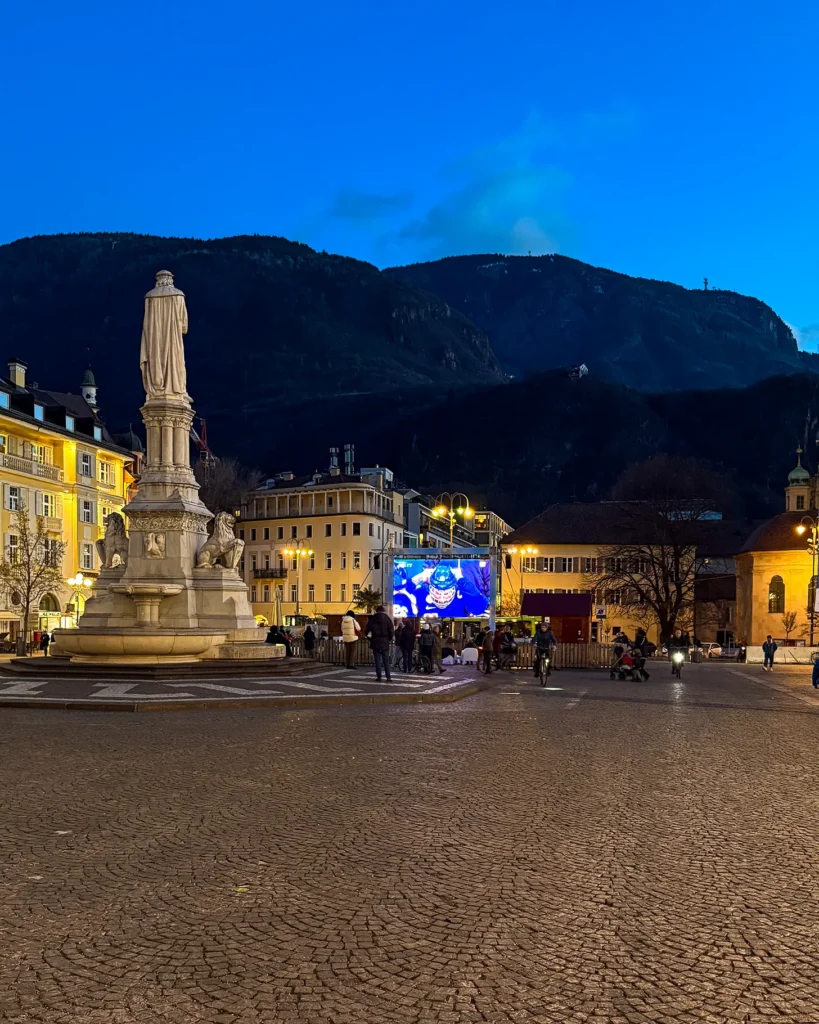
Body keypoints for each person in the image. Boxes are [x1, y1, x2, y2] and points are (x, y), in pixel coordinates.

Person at [366, 605, 394, 681]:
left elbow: (367, 630)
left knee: (377, 660)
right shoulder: (387, 619)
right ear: (384, 611)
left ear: (376, 611)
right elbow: (391, 631)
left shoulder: (373, 618)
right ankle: (388, 677)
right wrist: (389, 639)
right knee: (386, 660)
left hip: (375, 641)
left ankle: (379, 677)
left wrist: (370, 639)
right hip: (385, 641)